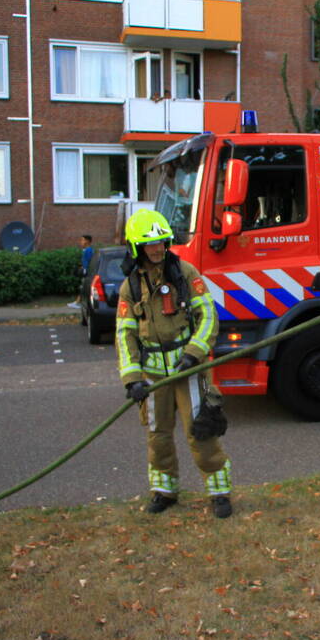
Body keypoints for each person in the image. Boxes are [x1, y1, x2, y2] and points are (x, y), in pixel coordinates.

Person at [116, 209, 233, 517]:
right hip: (153, 376)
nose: (156, 249)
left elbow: (207, 315)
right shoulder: (130, 286)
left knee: (201, 432)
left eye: (161, 242)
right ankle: (164, 492)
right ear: (136, 247)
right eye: (149, 244)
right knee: (158, 437)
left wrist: (194, 353)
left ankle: (220, 493)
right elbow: (124, 334)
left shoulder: (186, 273)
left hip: (190, 371)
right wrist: (132, 379)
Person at [68, 234, 94, 308]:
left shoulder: (88, 250)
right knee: (83, 287)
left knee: (83, 287)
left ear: (87, 241)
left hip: (87, 272)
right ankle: (78, 302)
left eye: (82, 240)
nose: (81, 242)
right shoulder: (86, 250)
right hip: (86, 270)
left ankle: (78, 302)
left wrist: (85, 269)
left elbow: (89, 261)